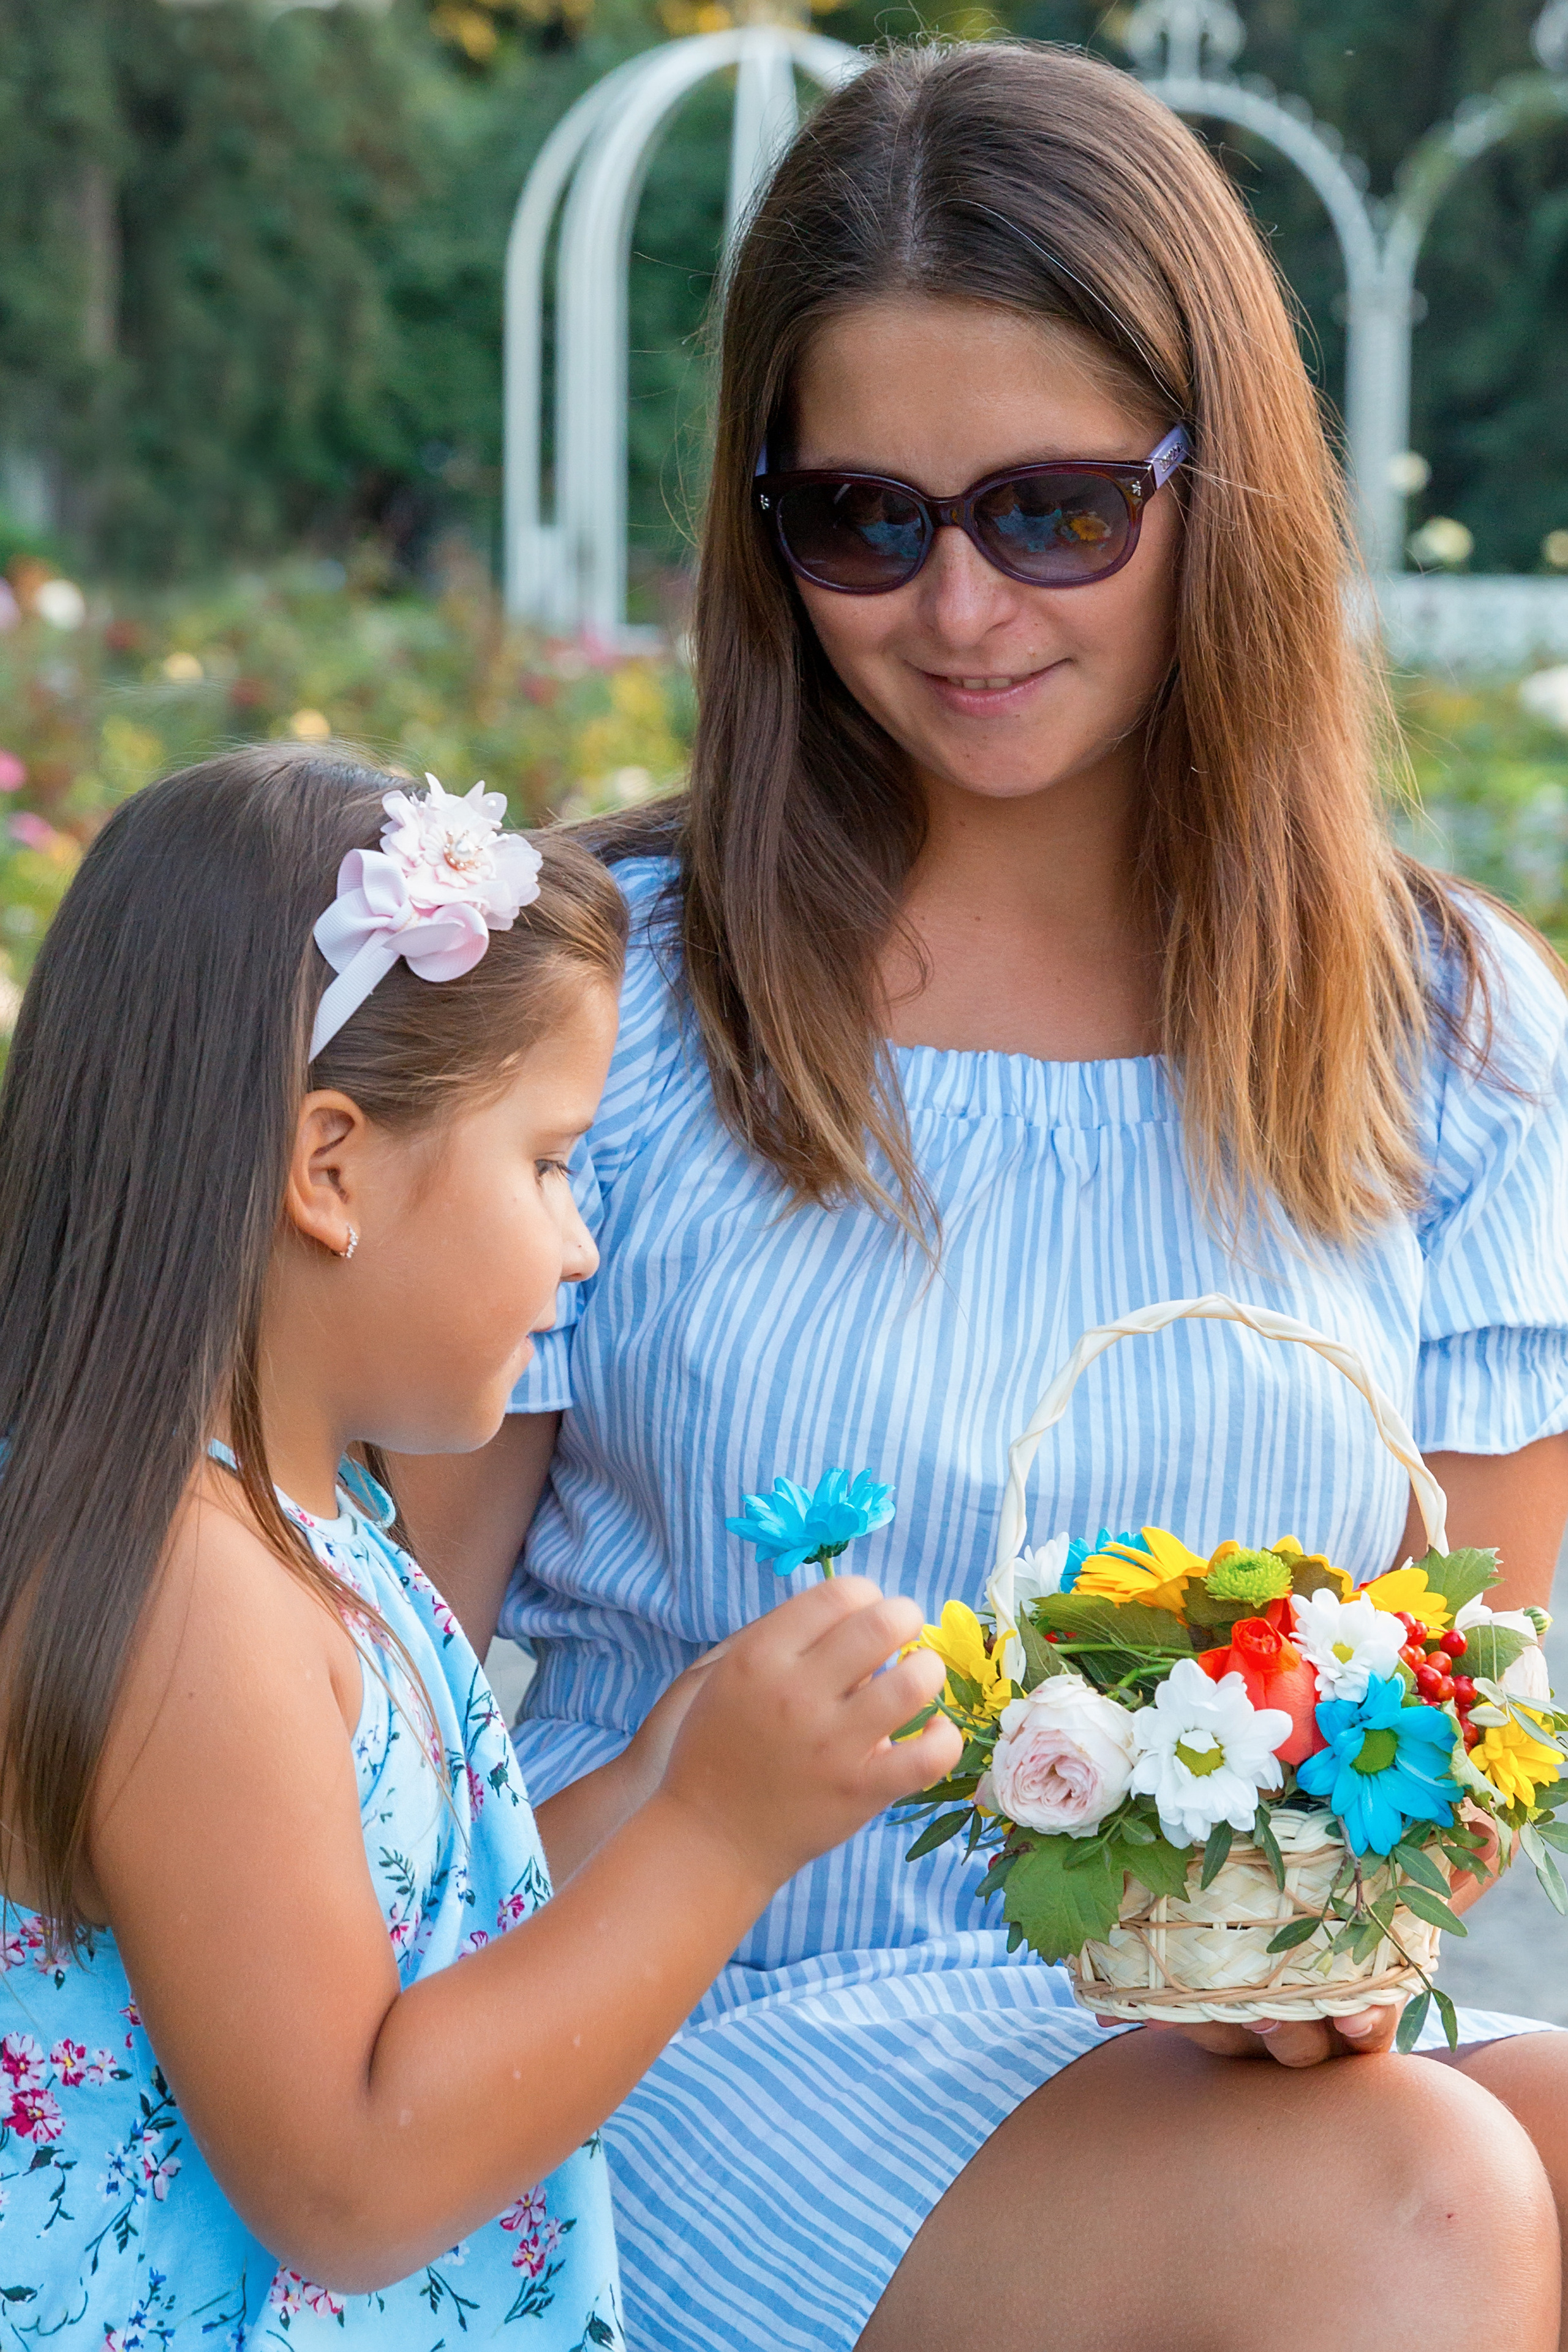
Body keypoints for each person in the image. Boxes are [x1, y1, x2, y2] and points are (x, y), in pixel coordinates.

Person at [393, 37, 1568, 2352]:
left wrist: (1343, 1944)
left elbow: (1466, 1734)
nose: (956, 608)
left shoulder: (1444, 1027)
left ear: (1216, 490)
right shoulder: (597, 999)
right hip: (692, 2024)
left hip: (1216, 2040)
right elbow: (375, 1682)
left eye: (1052, 513)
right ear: (766, 523)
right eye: (861, 518)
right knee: (1414, 2203)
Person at [0, 746, 959, 2341]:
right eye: (548, 1161)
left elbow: (415, 1957)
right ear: (330, 1168)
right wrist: (715, 1841)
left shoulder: (307, 1534)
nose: (581, 1238)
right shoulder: (194, 1596)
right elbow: (350, 2177)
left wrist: (665, 1774)